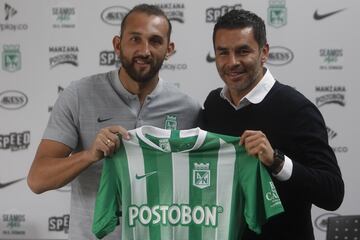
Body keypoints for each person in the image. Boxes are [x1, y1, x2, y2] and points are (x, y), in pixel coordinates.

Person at [27, 4, 200, 240]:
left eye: (156, 41)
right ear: (118, 45)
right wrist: (90, 155)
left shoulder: (188, 109)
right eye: (135, 39)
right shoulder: (78, 95)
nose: (145, 50)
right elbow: (37, 180)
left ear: (169, 49)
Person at [199, 9, 344, 240]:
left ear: (264, 52)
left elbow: (333, 193)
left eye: (243, 51)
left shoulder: (297, 109)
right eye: (223, 52)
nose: (232, 62)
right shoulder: (214, 104)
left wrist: (277, 161)